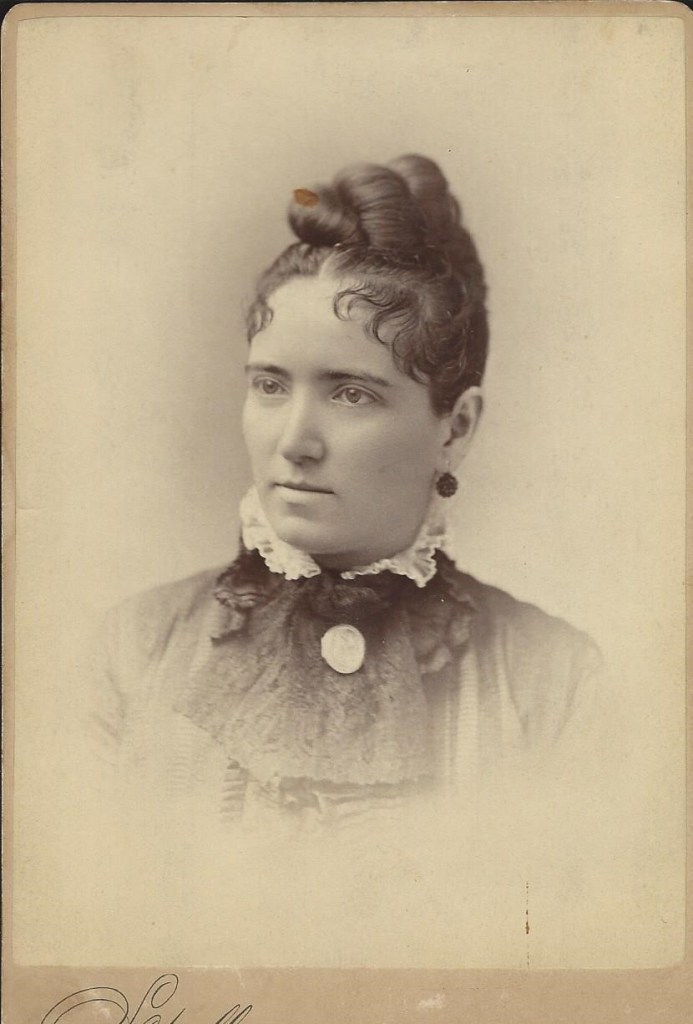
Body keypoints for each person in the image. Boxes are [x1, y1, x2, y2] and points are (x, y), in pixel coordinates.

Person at [91, 154, 603, 836]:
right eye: (270, 385)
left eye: (351, 394)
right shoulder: (131, 650)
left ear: (455, 428)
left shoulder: (556, 680)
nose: (294, 441)